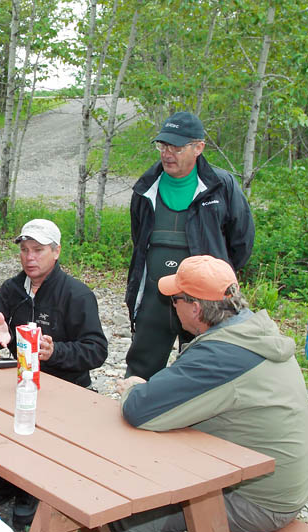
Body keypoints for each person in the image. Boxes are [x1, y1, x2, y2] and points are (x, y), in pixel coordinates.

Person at [114, 255, 308, 532]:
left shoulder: (221, 355)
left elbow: (141, 410)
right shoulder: (252, 332)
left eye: (175, 299)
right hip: (285, 485)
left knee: (131, 522)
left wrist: (132, 389)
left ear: (195, 308)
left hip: (259, 500)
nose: (172, 305)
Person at [0, 218, 108, 532]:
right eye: (24, 250)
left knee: (42, 434)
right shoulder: (12, 289)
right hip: (19, 380)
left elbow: (97, 350)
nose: (30, 257)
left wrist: (55, 352)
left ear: (56, 252)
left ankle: (33, 492)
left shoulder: (76, 294)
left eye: (38, 250)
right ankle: (8, 479)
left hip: (66, 388)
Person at [125, 111, 255, 380]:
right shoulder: (145, 188)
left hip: (205, 301)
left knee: (204, 372)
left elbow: (241, 242)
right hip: (154, 297)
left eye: (177, 147)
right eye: (163, 146)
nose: (168, 153)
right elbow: (139, 241)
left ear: (198, 148)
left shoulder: (222, 186)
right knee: (140, 371)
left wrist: (217, 277)